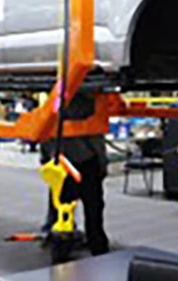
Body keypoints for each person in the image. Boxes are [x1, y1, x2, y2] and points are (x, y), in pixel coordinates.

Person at [41, 93, 110, 259]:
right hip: (86, 163)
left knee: (62, 209)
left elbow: (44, 133)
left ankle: (61, 247)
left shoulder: (53, 103)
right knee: (93, 208)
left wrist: (46, 159)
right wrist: (102, 164)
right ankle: (98, 246)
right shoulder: (89, 103)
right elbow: (96, 139)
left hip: (62, 164)